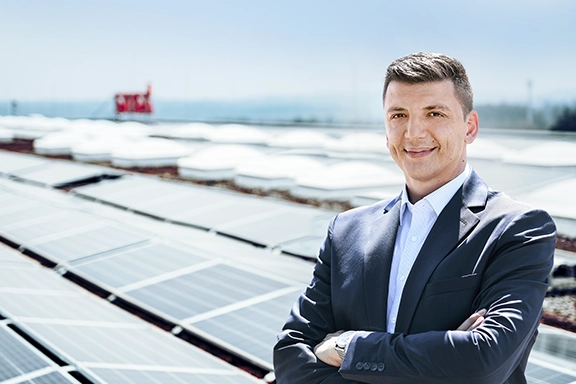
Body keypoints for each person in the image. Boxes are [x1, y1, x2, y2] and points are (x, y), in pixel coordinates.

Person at [273, 52, 556, 384]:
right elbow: (290, 355)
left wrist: (348, 347)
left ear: (470, 127)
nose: (414, 132)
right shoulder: (346, 232)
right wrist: (442, 355)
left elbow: (483, 361)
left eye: (434, 113)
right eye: (399, 115)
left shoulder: (517, 229)